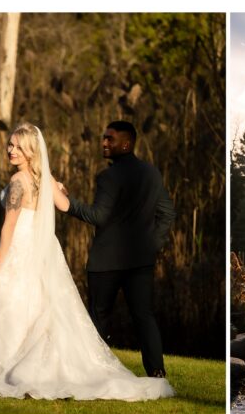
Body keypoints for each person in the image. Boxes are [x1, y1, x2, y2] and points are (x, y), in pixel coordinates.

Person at [0, 123, 173, 401]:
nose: (10, 150)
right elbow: (64, 206)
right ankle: (155, 372)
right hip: (46, 249)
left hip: (20, 246)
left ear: (30, 150)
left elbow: (10, 225)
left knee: (6, 303)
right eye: (10, 144)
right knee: (38, 307)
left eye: (17, 146)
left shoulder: (21, 181)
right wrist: (58, 190)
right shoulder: (44, 179)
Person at [63, 120, 175, 378]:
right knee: (144, 316)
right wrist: (152, 245)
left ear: (126, 144)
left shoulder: (109, 177)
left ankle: (94, 373)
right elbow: (167, 213)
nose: (103, 143)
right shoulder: (151, 173)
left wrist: (67, 204)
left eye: (109, 139)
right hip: (141, 261)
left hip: (106, 262)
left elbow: (98, 216)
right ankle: (156, 371)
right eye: (103, 138)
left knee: (99, 318)